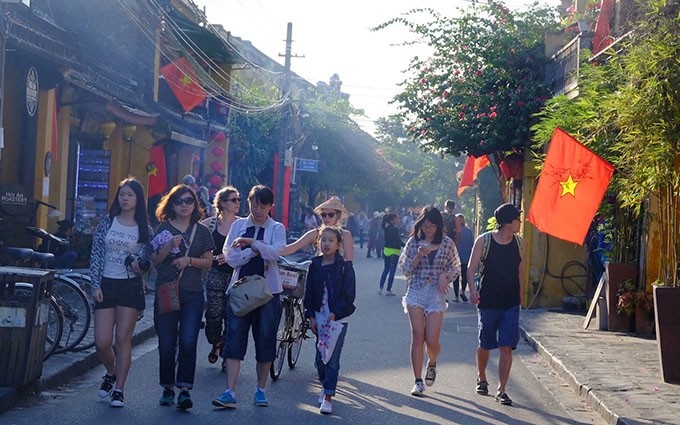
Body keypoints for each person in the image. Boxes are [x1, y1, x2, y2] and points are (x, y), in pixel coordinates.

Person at [212, 185, 286, 409]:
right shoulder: (238, 225)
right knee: (234, 337)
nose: (258, 209)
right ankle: (230, 391)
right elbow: (230, 257)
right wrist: (252, 251)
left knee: (265, 338)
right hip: (240, 289)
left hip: (268, 293)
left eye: (263, 205)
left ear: (270, 206)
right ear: (249, 203)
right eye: (254, 203)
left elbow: (275, 252)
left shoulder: (277, 228)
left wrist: (252, 243)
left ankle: (261, 390)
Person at [89, 177, 154, 408]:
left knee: (122, 339)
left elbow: (149, 262)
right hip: (106, 284)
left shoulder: (145, 229)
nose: (125, 199)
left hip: (129, 286)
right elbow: (96, 254)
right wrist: (94, 285)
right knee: (102, 341)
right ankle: (111, 371)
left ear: (138, 199)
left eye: (130, 195)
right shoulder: (107, 222)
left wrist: (140, 265)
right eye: (122, 194)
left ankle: (119, 389)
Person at [151, 184, 215, 410]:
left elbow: (209, 262)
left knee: (188, 341)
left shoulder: (203, 231)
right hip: (167, 292)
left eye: (189, 201)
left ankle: (185, 389)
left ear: (195, 204)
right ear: (172, 204)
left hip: (193, 293)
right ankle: (168, 387)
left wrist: (188, 260)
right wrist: (169, 245)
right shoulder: (163, 229)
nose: (184, 205)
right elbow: (155, 261)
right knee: (167, 343)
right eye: (179, 201)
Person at [399, 206, 460, 397]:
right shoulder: (413, 242)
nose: (428, 229)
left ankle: (432, 363)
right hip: (416, 290)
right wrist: (418, 256)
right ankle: (417, 381)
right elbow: (405, 269)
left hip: (436, 294)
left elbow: (456, 266)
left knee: (432, 341)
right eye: (425, 226)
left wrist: (445, 276)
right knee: (418, 336)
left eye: (432, 226)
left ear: (439, 226)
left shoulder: (447, 243)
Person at [467, 203, 523, 406]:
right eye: (517, 218)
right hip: (488, 300)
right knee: (485, 344)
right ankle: (482, 377)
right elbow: (471, 268)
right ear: (508, 222)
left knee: (506, 346)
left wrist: (521, 295)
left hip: (510, 302)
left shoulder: (519, 242)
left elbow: (520, 269)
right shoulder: (484, 241)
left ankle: (502, 389)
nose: (519, 221)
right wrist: (473, 290)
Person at [304, 226, 356, 414]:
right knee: (320, 358)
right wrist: (310, 315)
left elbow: (349, 295)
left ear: (338, 244)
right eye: (323, 240)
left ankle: (328, 396)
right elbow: (308, 292)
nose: (326, 244)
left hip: (339, 319)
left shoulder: (344, 266)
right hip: (319, 316)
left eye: (330, 240)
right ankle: (325, 382)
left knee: (332, 358)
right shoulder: (314, 265)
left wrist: (336, 312)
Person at [200, 186, 240, 369]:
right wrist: (214, 258)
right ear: (223, 203)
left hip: (236, 276)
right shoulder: (209, 224)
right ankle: (216, 342)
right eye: (234, 200)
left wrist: (232, 257)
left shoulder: (242, 225)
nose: (237, 203)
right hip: (215, 274)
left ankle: (226, 355)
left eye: (238, 200)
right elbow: (196, 246)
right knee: (213, 315)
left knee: (232, 318)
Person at [281, 196, 354, 262]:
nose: (327, 218)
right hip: (318, 272)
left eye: (331, 215)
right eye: (324, 215)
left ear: (338, 216)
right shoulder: (316, 233)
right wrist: (272, 251)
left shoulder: (345, 235)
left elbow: (349, 260)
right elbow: (293, 247)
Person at [378, 212, 404, 296]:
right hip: (394, 251)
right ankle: (388, 289)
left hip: (386, 250)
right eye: (396, 218)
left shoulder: (385, 228)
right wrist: (405, 245)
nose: (398, 220)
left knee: (386, 269)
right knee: (392, 271)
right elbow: (398, 240)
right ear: (392, 220)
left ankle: (380, 287)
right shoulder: (394, 229)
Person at [453, 214, 474, 302]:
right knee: (464, 275)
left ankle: (456, 296)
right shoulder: (469, 231)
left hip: (456, 255)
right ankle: (463, 291)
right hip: (466, 255)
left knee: (456, 276)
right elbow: (472, 243)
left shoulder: (455, 231)